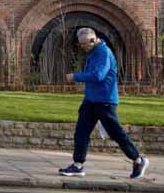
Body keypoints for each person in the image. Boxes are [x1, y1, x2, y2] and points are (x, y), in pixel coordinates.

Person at [58, 27, 148, 179]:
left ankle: (138, 160)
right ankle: (78, 165)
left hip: (105, 101)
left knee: (116, 133)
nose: (82, 47)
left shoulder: (104, 53)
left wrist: (75, 77)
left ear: (93, 40)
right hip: (91, 100)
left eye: (84, 44)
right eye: (80, 44)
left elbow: (98, 75)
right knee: (81, 131)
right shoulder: (94, 52)